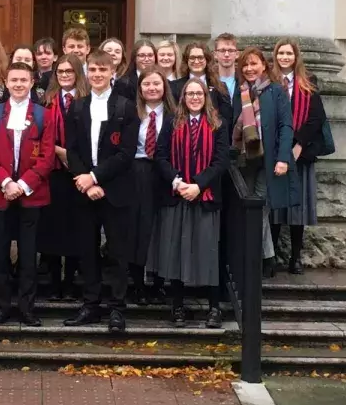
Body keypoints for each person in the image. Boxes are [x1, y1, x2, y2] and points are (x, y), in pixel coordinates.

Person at [63, 50, 140, 333]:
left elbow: (126, 153)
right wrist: (84, 179)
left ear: (112, 73)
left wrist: (95, 177)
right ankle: (90, 303)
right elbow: (71, 149)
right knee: (87, 249)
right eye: (92, 70)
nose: (97, 75)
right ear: (87, 73)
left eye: (102, 70)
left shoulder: (125, 107)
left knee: (118, 251)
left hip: (115, 189)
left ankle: (117, 308)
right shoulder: (78, 107)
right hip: (84, 189)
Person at [0, 62, 56, 326]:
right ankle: (1, 307)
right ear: (6, 83)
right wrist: (5, 183)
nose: (19, 84)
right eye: (14, 80)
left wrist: (22, 185)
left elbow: (47, 159)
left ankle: (26, 308)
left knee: (28, 253)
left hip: (30, 195)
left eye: (24, 79)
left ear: (32, 82)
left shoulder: (45, 115)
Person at [149, 77, 229, 328]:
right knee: (177, 252)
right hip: (177, 194)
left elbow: (221, 160)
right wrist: (176, 182)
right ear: (183, 97)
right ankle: (178, 306)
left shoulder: (218, 124)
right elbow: (160, 155)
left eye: (199, 94)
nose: (195, 98)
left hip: (204, 197)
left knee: (209, 252)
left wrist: (198, 184)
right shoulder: (172, 123)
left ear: (206, 97)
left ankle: (214, 308)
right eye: (190, 94)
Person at [232, 47, 299, 279]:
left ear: (263, 65)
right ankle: (266, 258)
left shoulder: (276, 91)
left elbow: (286, 126)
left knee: (258, 208)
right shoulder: (240, 92)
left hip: (268, 160)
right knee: (249, 209)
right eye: (245, 65)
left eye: (253, 64)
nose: (249, 69)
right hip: (244, 160)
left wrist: (283, 159)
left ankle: (256, 259)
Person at [269, 38, 326, 275]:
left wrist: (300, 144)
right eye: (281, 53)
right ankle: (270, 259)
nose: (284, 57)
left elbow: (317, 117)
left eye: (289, 53)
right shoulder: (268, 82)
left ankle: (295, 257)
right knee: (274, 208)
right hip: (274, 153)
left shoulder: (307, 82)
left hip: (299, 154)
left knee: (297, 209)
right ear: (275, 56)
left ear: (296, 57)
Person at [37, 54, 89, 300]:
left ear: (78, 73)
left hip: (80, 174)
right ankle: (54, 282)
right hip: (54, 172)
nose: (65, 75)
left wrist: (75, 159)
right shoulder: (47, 101)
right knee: (54, 229)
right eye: (60, 72)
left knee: (75, 229)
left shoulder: (87, 100)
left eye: (69, 71)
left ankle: (70, 283)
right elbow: (41, 136)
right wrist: (60, 152)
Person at [125, 68, 174, 305]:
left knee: (163, 227)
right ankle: (138, 283)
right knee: (139, 228)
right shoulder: (131, 113)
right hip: (138, 173)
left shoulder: (175, 114)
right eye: (147, 84)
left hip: (166, 174)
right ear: (140, 88)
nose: (152, 88)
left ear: (164, 87)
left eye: (156, 84)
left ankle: (160, 282)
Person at [170, 42, 233, 133]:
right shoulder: (174, 87)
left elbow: (227, 119)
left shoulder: (220, 87)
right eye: (192, 58)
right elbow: (172, 118)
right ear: (186, 61)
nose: (196, 61)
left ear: (207, 60)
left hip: (213, 138)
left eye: (200, 57)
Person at [213, 33, 240, 99]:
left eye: (230, 50)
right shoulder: (209, 82)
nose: (227, 54)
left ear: (237, 54)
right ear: (215, 54)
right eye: (222, 50)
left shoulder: (244, 81)